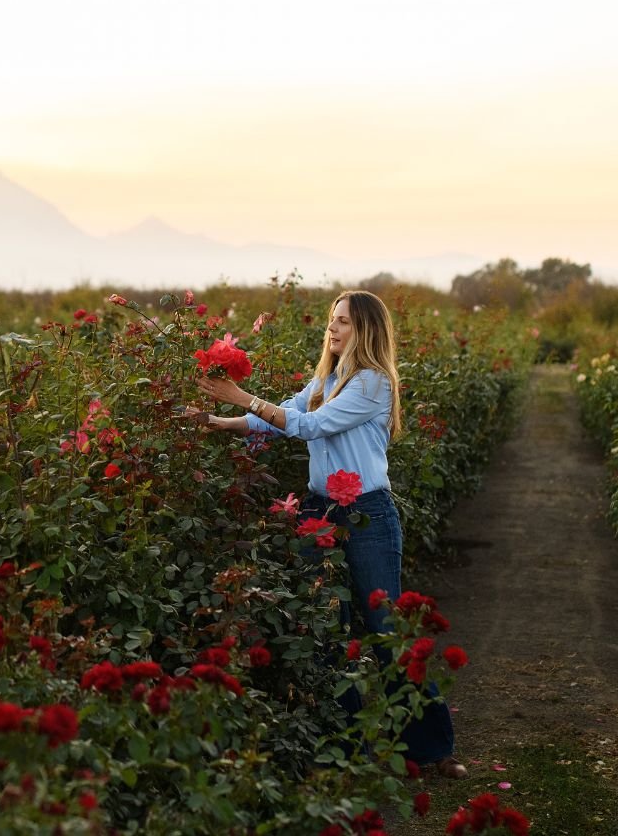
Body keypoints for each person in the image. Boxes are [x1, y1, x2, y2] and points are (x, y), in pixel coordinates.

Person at [188, 289, 466, 778]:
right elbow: (276, 420)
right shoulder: (328, 378)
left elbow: (309, 426)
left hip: (366, 515)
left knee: (385, 630)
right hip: (320, 510)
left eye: (345, 323)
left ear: (367, 330)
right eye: (332, 321)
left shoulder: (373, 384)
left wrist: (242, 395)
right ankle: (348, 746)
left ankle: (433, 750)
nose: (333, 329)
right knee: (322, 630)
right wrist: (219, 419)